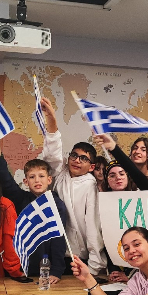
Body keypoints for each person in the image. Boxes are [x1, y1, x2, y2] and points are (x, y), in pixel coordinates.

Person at [40, 97, 106, 275]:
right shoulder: (61, 173)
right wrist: (51, 119)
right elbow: (52, 152)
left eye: (83, 158)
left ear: (91, 167)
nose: (77, 160)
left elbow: (93, 226)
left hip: (81, 258)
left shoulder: (91, 186)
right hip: (56, 254)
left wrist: (93, 267)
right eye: (74, 156)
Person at [0, 141, 68, 285]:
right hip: (21, 267)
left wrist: (57, 270)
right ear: (26, 181)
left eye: (41, 176)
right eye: (32, 177)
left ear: (49, 179)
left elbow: (59, 239)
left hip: (46, 268)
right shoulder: (21, 198)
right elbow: (6, 179)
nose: (37, 180)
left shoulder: (56, 205)